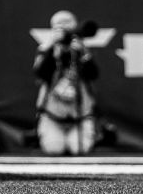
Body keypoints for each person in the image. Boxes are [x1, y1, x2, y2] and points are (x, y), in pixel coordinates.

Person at [33, 10, 99, 155]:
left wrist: (82, 54)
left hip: (80, 117)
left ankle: (93, 135)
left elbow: (93, 74)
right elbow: (40, 74)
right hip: (52, 116)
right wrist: (52, 50)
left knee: (79, 149)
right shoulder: (46, 49)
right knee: (54, 149)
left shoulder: (80, 49)